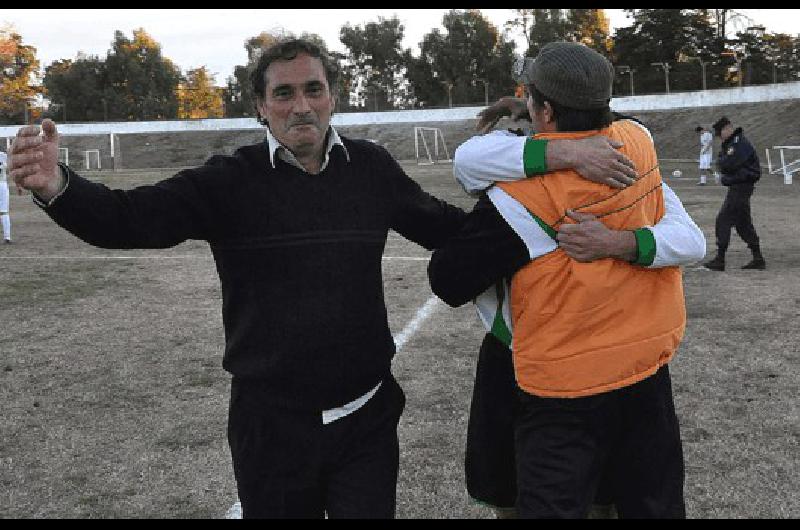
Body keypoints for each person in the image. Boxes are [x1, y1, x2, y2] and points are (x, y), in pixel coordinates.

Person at [7, 37, 637, 519]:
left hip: (366, 418)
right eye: (283, 93)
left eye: (313, 89)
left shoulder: (371, 168)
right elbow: (127, 219)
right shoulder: (227, 182)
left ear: (334, 96)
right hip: (270, 426)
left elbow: (450, 231)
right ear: (260, 107)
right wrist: (57, 186)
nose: (300, 105)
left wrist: (549, 221)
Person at [428, 42, 703, 519]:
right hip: (643, 372)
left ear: (546, 110)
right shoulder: (637, 141)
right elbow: (688, 238)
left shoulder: (521, 198)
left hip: (563, 389)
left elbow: (448, 279)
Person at [703, 116, 765, 271]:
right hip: (739, 186)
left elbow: (727, 164)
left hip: (741, 187)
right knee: (743, 223)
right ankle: (758, 258)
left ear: (728, 128)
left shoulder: (737, 144)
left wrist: (725, 177)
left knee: (723, 220)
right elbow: (724, 162)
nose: (719, 137)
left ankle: (720, 259)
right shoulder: (734, 143)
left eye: (720, 133)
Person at [0, 148, 12, 244]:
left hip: (2, 184)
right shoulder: (4, 156)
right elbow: (10, 169)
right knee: (4, 212)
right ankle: (7, 236)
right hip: (2, 185)